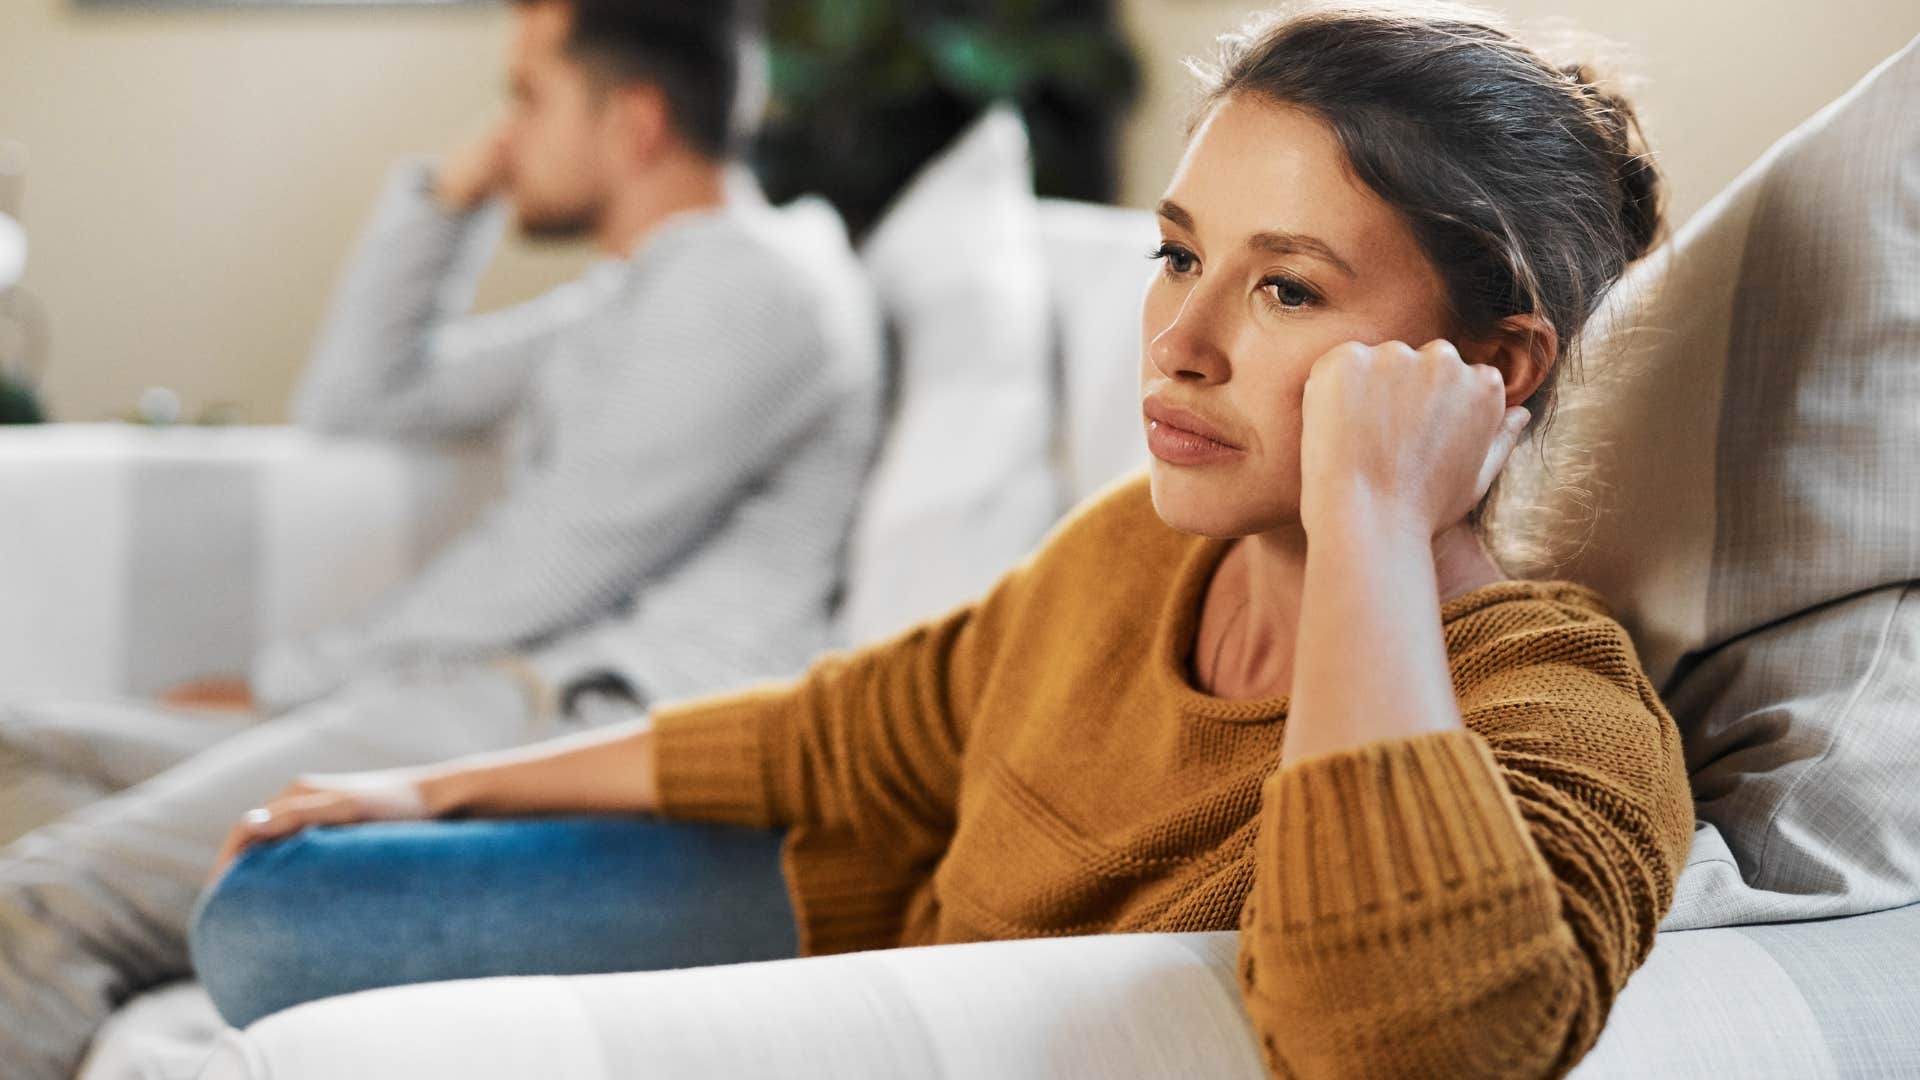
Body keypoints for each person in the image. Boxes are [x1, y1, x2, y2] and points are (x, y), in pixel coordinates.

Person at [191, 3, 1697, 1077]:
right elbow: (853, 725)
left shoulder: (1556, 703)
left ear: (1495, 371)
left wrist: (1373, 519)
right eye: (1177, 256)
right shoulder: (1133, 552)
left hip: (909, 1023)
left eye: (1286, 290)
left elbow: (1411, 1047)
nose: (1175, 343)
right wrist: (439, 782)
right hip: (869, 928)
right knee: (275, 908)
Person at [0, 0, 883, 1076]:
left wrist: (281, 683)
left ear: (635, 122)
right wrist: (443, 198)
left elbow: (548, 566)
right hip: (495, 695)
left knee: (40, 895)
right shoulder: (642, 293)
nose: (502, 131)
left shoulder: (753, 288)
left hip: (579, 714)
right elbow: (363, 401)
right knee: (21, 746)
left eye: (527, 94)